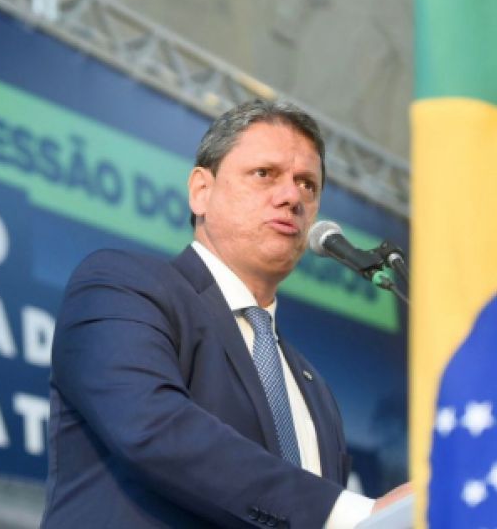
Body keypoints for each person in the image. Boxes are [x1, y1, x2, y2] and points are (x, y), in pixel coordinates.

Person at [41, 100, 411, 528]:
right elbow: (153, 427)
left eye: (307, 185)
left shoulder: (316, 390)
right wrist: (349, 511)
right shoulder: (122, 286)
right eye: (265, 174)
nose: (292, 197)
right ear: (201, 191)